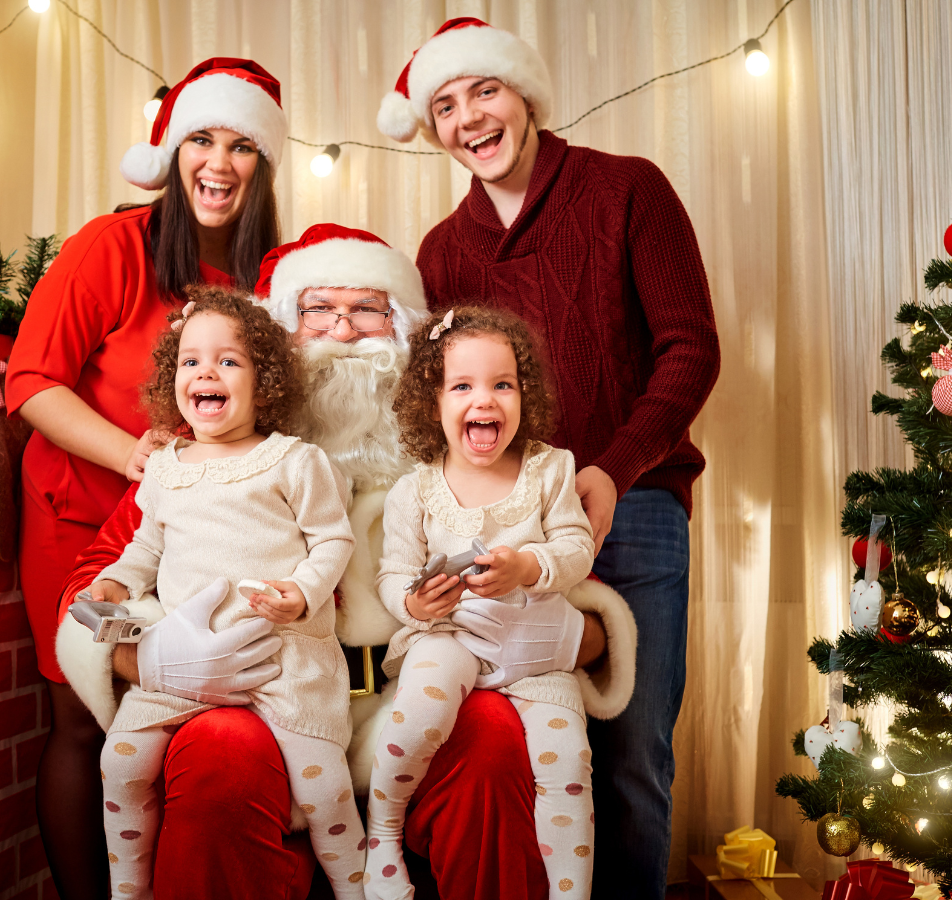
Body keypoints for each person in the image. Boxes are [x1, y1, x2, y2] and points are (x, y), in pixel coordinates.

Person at [54, 225, 636, 900]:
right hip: (269, 696)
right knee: (218, 750)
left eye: (368, 310)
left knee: (494, 736)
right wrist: (145, 658)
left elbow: (579, 599)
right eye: (317, 310)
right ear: (279, 339)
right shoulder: (197, 457)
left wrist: (562, 636)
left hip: (422, 700)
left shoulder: (478, 452)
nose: (344, 330)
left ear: (410, 337)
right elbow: (93, 582)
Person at [377, 19, 721, 899]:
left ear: (523, 93)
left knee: (633, 754)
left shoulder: (627, 191)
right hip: (500, 526)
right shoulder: (442, 251)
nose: (469, 119)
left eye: (483, 92)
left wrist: (609, 467)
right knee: (521, 744)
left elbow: (691, 346)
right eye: (445, 107)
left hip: (634, 504)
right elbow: (442, 398)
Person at [5, 58, 288, 899]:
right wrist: (131, 453)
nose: (219, 163)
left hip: (191, 540)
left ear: (263, 165)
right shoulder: (111, 246)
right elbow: (31, 382)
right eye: (201, 138)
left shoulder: (267, 278)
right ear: (171, 150)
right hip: (79, 523)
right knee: (85, 721)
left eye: (242, 145)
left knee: (174, 716)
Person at [86, 287, 362, 900]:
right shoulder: (165, 467)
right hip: (185, 662)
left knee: (322, 789)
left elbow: (333, 542)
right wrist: (115, 583)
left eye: (229, 361)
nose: (206, 372)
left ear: (264, 383)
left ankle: (358, 887)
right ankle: (128, 891)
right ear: (172, 380)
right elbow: (146, 549)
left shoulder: (293, 460)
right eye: (191, 361)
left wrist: (302, 592)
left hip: (283, 657)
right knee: (121, 762)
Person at [368, 307, 597, 900]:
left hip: (536, 657)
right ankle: (382, 833)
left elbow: (576, 548)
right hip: (450, 638)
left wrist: (528, 566)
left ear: (526, 397)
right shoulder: (413, 490)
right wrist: (417, 606)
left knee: (569, 770)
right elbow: (392, 576)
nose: (485, 400)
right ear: (434, 403)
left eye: (503, 385)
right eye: (463, 386)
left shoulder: (551, 469)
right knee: (419, 713)